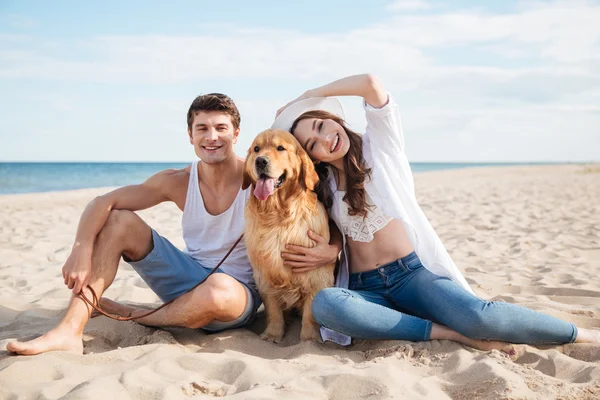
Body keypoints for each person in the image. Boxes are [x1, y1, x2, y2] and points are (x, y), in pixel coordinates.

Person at [274, 74, 600, 350]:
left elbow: (371, 84)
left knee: (481, 316)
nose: (324, 138)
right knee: (328, 305)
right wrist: (331, 248)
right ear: (311, 158)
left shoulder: (380, 148)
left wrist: (309, 96)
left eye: (321, 125)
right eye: (312, 143)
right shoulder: (323, 183)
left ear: (333, 119)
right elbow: (326, 219)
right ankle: (448, 334)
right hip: (363, 287)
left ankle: (581, 335)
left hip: (410, 276)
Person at [7, 93, 340, 356]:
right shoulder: (178, 181)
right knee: (120, 220)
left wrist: (332, 250)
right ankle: (70, 330)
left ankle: (130, 314)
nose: (212, 137)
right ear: (190, 135)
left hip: (234, 297)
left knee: (218, 290)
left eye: (221, 128)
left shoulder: (262, 173)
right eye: (202, 129)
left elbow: (325, 206)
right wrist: (80, 250)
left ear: (236, 134)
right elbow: (102, 202)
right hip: (186, 276)